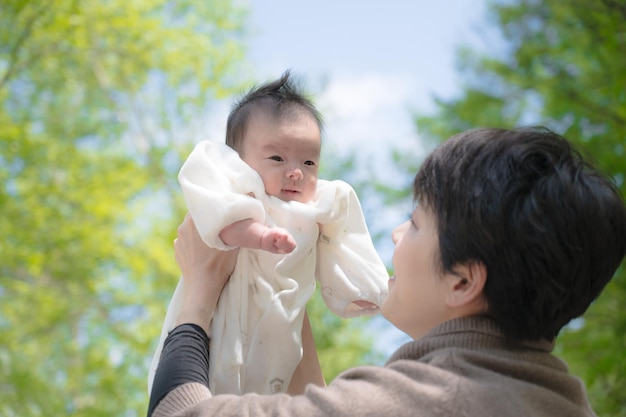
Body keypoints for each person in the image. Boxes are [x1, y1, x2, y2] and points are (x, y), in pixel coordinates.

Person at [147, 126, 626, 417]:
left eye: (416, 225)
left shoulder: (437, 400)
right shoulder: (553, 400)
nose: (396, 235)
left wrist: (198, 295)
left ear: (462, 281)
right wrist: (284, 284)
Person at [148, 71, 389, 397]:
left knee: (269, 383)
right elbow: (215, 211)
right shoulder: (237, 187)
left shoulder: (318, 206)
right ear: (239, 162)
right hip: (224, 308)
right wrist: (258, 235)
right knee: (217, 371)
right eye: (277, 158)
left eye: (309, 162)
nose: (295, 172)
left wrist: (359, 290)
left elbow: (344, 238)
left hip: (281, 325)